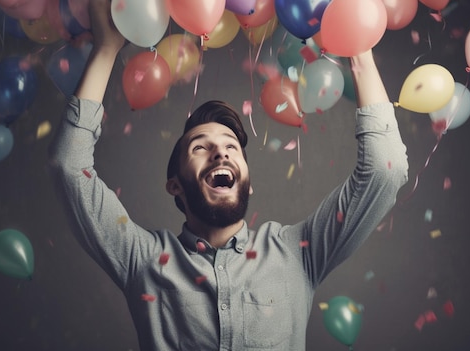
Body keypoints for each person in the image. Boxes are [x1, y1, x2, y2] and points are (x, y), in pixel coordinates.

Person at [49, 0, 409, 349]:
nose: (221, 150)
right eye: (200, 147)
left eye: (232, 147)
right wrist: (107, 49)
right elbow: (69, 165)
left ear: (248, 180)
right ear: (174, 184)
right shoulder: (142, 259)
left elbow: (384, 171)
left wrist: (358, 48)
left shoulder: (297, 254)